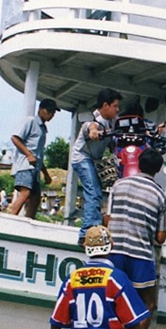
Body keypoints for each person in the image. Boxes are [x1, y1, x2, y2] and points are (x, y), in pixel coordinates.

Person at [106, 149, 166, 329]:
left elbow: (108, 218)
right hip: (140, 255)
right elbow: (161, 237)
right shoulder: (161, 196)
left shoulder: (119, 185)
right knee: (147, 304)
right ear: (158, 170)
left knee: (112, 302)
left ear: (138, 164)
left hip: (114, 252)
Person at [72, 88, 122, 244]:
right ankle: (86, 234)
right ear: (105, 105)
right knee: (93, 192)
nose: (117, 109)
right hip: (82, 157)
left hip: (95, 160)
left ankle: (94, 227)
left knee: (98, 193)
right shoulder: (93, 120)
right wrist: (96, 133)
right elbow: (92, 130)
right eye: (115, 106)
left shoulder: (113, 122)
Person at [9, 98, 58, 218]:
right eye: (49, 111)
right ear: (40, 109)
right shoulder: (31, 121)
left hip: (35, 169)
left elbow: (39, 155)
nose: (51, 115)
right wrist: (28, 154)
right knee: (25, 192)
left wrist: (46, 174)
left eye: (53, 113)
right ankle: (10, 219)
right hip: (25, 165)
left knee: (36, 198)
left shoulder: (43, 129)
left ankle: (28, 222)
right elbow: (15, 138)